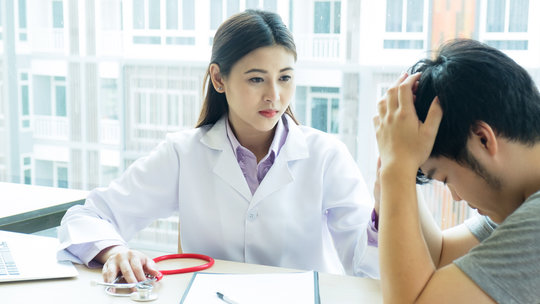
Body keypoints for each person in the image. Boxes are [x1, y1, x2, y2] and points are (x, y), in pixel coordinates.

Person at [58, 9, 379, 285]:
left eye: (284, 78)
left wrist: (385, 210)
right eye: (256, 79)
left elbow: (363, 261)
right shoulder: (183, 154)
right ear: (219, 78)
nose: (274, 95)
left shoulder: (325, 155)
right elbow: (86, 217)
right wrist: (115, 251)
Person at [372, 38, 540, 304]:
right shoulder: (523, 204)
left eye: (445, 178)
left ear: (482, 138)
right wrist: (397, 169)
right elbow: (440, 257)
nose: (456, 198)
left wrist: (398, 169)